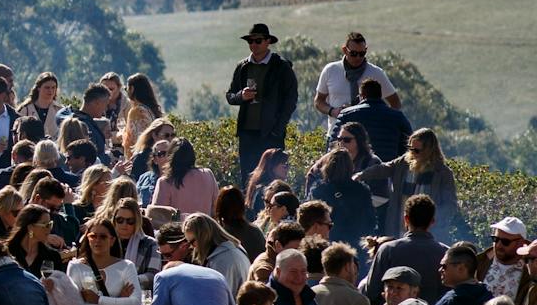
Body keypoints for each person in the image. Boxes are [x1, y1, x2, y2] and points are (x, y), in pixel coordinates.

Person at [225, 23, 297, 185]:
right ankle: (250, 210)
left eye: (257, 41)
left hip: (271, 135)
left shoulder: (282, 67)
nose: (253, 45)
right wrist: (241, 96)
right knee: (248, 180)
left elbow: (291, 100)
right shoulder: (243, 67)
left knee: (273, 180)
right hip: (247, 135)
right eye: (250, 41)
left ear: (267, 42)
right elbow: (230, 96)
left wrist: (278, 129)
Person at [365, 194, 448, 305]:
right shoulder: (445, 254)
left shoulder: (388, 250)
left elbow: (371, 291)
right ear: (432, 221)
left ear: (406, 219)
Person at [314, 32, 400, 129]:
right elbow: (318, 101)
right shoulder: (331, 70)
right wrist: (332, 111)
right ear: (345, 50)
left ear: (366, 50)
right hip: (337, 135)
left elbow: (395, 102)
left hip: (367, 137)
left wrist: (382, 121)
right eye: (353, 53)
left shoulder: (376, 73)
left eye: (362, 53)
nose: (358, 57)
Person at [332, 78, 412, 167]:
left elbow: (333, 144)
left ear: (361, 96)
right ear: (380, 95)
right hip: (388, 169)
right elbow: (409, 144)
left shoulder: (346, 114)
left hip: (354, 169)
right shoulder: (397, 116)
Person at [155, 138, 219, 218]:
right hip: (205, 228)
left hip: (179, 229)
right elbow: (216, 208)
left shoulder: (166, 182)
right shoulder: (208, 175)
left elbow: (157, 216)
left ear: (170, 157)